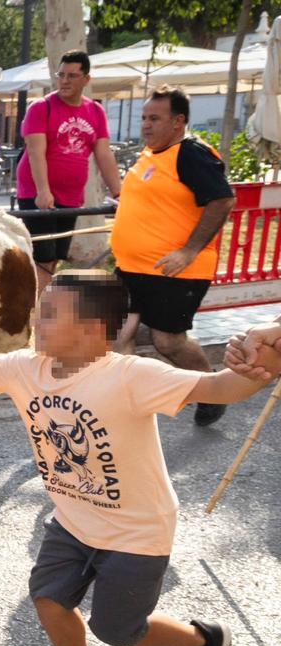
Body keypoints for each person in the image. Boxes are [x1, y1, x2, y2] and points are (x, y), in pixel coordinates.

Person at [0, 269, 270, 646]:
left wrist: (262, 363)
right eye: (39, 309)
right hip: (72, 521)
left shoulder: (131, 375)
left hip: (137, 531)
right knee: (48, 599)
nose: (35, 320)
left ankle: (202, 641)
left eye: (49, 313)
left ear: (93, 329)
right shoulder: (24, 367)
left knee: (118, 630)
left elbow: (220, 389)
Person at [110, 85, 237, 428]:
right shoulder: (151, 154)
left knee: (167, 341)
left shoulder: (191, 153)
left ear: (178, 121)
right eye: (144, 118)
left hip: (175, 271)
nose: (146, 125)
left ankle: (213, 389)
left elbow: (222, 200)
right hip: (132, 267)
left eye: (155, 118)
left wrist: (190, 249)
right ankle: (128, 407)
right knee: (119, 335)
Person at [16, 50, 123, 294]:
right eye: (61, 75)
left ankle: (38, 304)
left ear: (86, 79)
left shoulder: (95, 112)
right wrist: (43, 191)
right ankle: (37, 312)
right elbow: (35, 152)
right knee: (43, 256)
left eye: (72, 76)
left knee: (56, 256)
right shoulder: (41, 107)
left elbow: (104, 154)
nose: (64, 81)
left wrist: (119, 192)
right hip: (37, 193)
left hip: (71, 196)